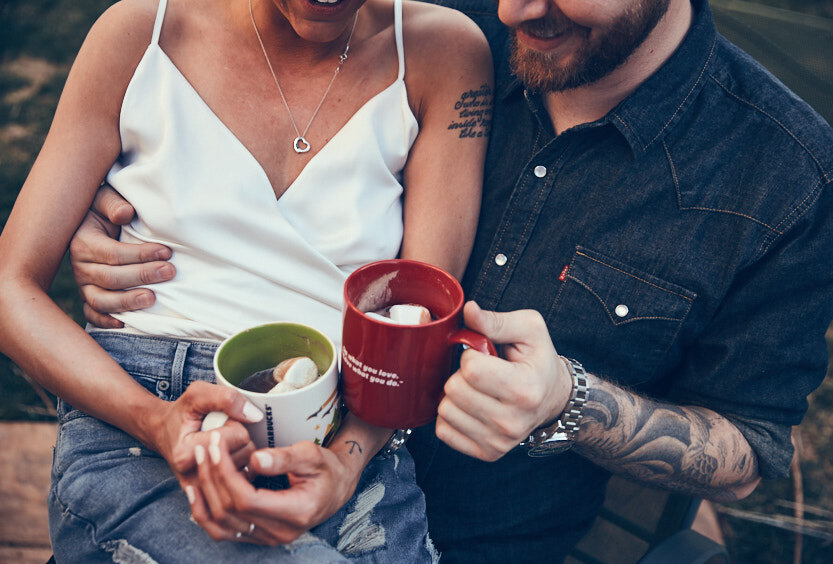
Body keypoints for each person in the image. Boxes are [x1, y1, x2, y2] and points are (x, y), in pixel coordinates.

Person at [65, 0, 833, 561]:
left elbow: (750, 453)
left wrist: (570, 402)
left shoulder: (787, 179)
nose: (517, 10)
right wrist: (131, 214)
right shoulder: (435, 37)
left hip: (486, 538)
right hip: (277, 444)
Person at [0, 0, 494, 561]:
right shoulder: (142, 32)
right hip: (144, 412)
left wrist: (345, 462)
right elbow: (9, 287)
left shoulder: (444, 53)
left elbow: (417, 322)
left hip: (349, 424)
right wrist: (158, 421)